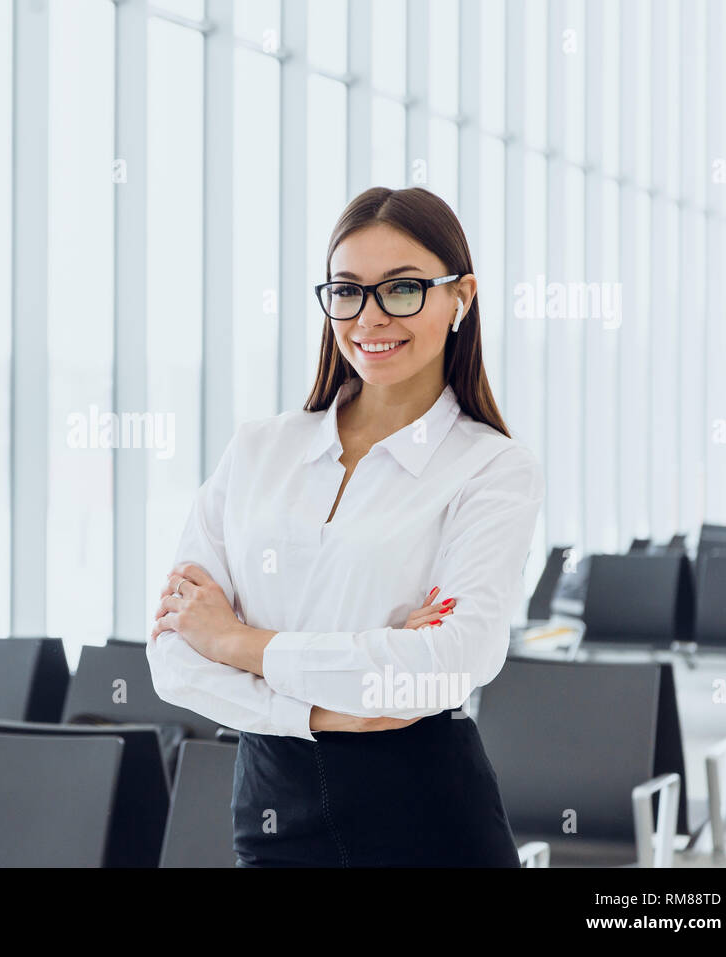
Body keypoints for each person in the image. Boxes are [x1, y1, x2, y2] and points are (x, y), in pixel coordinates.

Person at [147, 186, 544, 867]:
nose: (370, 316)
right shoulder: (257, 451)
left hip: (426, 816)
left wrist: (237, 639)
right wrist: (328, 711)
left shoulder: (491, 469)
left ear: (462, 296)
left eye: (403, 289)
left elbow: (446, 666)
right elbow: (174, 658)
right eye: (348, 291)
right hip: (271, 809)